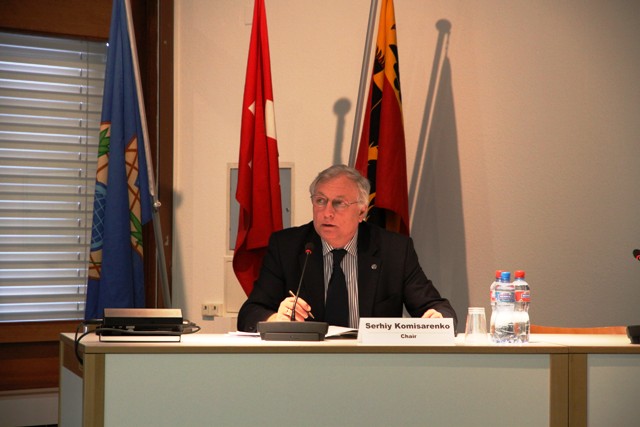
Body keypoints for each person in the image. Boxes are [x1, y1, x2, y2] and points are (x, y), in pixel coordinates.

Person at [237, 164, 457, 332]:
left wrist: (437, 318)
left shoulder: (394, 250)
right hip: (307, 365)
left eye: (339, 203)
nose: (327, 212)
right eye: (320, 201)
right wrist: (276, 319)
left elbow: (440, 308)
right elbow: (249, 313)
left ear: (361, 211)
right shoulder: (287, 246)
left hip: (373, 366)